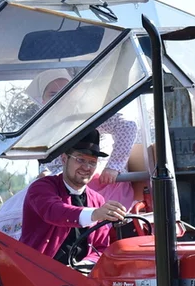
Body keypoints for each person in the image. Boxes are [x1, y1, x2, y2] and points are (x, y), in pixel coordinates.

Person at [24, 69, 139, 197]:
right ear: (43, 101)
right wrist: (44, 172)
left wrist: (113, 166)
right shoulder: (42, 127)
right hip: (61, 181)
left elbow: (127, 126)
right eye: (53, 94)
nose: (61, 98)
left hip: (98, 178)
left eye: (66, 92)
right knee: (30, 197)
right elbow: (46, 159)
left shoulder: (88, 114)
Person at [21, 130, 128, 265]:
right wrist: (95, 214)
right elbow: (54, 211)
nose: (86, 167)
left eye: (92, 162)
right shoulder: (42, 187)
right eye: (80, 159)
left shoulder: (97, 200)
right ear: (64, 159)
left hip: (81, 280)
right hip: (39, 274)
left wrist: (84, 267)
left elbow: (100, 247)